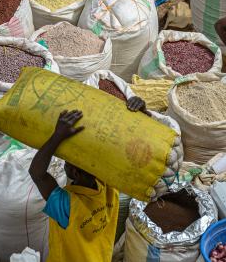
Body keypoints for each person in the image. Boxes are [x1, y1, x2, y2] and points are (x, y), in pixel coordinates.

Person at [29, 96, 147, 262]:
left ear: (74, 173)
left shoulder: (67, 206)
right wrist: (140, 116)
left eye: (68, 160)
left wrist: (57, 137)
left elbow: (37, 173)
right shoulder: (109, 186)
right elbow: (133, 151)